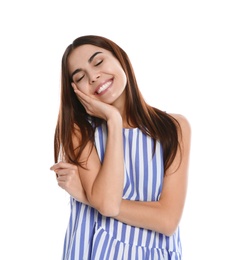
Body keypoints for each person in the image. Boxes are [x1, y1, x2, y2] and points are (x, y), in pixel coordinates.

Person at [50, 35, 191, 260]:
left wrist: (88, 197)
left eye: (98, 62)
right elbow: (106, 203)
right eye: (80, 76)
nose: (94, 76)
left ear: (120, 59)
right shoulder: (80, 131)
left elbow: (167, 221)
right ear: (76, 90)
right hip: (95, 251)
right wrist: (113, 121)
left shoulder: (174, 127)